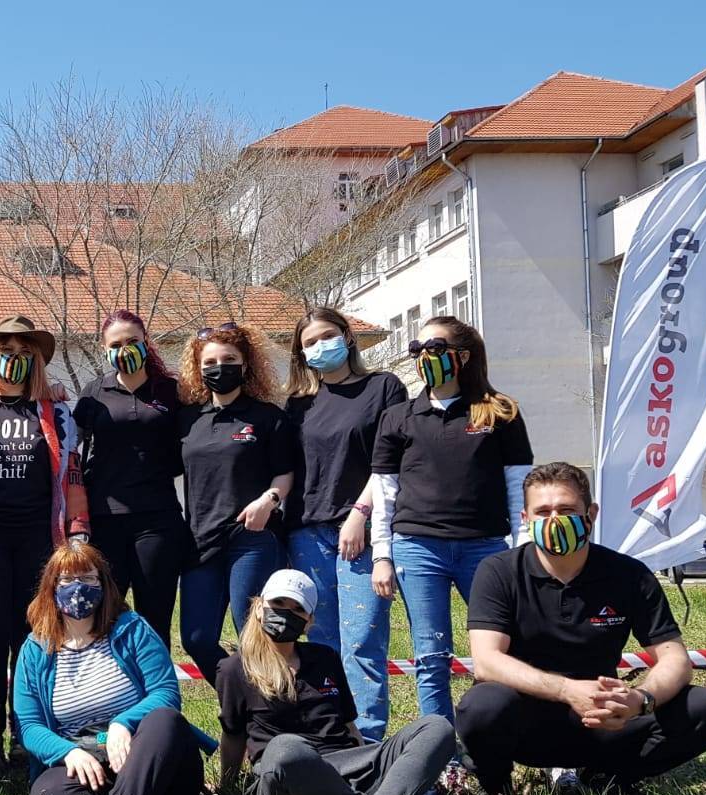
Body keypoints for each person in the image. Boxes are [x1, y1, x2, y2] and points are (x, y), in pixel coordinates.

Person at [456, 462, 706, 795]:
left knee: (704, 707)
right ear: (525, 519)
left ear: (590, 514)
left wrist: (639, 699)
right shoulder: (498, 572)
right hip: (525, 721)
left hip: (604, 720)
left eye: (566, 510)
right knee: (481, 706)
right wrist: (567, 690)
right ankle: (496, 789)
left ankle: (607, 777)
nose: (554, 520)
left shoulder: (629, 575)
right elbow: (487, 661)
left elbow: (675, 659)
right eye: (542, 512)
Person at [371, 316, 532, 722]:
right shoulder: (397, 417)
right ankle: (440, 748)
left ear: (464, 355)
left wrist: (523, 548)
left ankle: (495, 734)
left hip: (486, 549)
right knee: (431, 657)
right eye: (418, 349)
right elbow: (384, 493)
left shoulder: (501, 412)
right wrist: (381, 555)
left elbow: (519, 487)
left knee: (506, 649)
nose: (425, 356)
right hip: (417, 549)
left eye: (436, 348)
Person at [216, 570, 456, 795]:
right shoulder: (234, 669)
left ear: (308, 621)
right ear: (260, 608)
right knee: (285, 749)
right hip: (287, 777)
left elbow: (349, 727)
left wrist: (370, 760)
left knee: (437, 727)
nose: (286, 613)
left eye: (297, 609)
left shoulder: (325, 658)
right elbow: (233, 736)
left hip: (348, 765)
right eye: (278, 603)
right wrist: (228, 790)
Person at [15, 541, 215, 795]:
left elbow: (166, 693)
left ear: (104, 584)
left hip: (145, 748)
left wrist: (123, 724)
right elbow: (29, 726)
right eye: (67, 581)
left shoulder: (133, 629)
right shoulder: (34, 649)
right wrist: (68, 752)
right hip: (86, 752)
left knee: (164, 720)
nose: (78, 588)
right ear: (51, 588)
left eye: (88, 579)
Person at [0, 316, 90, 764]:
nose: (14, 359)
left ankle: (28, 735)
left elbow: (71, 474)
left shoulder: (57, 412)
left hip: (38, 540)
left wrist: (78, 532)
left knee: (35, 638)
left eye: (24, 352)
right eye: (5, 351)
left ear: (37, 361)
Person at [284, 308, 407, 741]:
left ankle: (368, 743)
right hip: (306, 533)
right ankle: (333, 739)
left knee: (361, 644)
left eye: (328, 336)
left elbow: (390, 461)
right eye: (310, 343)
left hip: (362, 531)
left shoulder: (384, 387)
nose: (320, 346)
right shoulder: (298, 405)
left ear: (348, 337)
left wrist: (360, 512)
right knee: (321, 645)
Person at [176, 322, 295, 684]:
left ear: (245, 365)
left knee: (254, 635)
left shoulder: (268, 417)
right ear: (198, 368)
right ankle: (239, 698)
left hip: (252, 539)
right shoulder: (187, 420)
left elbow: (285, 473)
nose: (219, 367)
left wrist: (268, 501)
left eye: (229, 359)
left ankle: (267, 709)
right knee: (196, 638)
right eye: (210, 362)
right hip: (200, 542)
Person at [74, 310, 186, 641]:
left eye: (132, 341)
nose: (124, 350)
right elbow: (68, 448)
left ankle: (155, 676)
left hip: (158, 519)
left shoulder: (172, 391)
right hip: (105, 521)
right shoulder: (93, 392)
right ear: (104, 349)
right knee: (103, 619)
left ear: (146, 342)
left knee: (155, 619)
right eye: (116, 344)